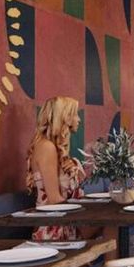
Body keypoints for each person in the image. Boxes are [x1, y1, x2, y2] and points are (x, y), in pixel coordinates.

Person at [27, 96, 92, 241]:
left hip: (65, 219)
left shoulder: (54, 147)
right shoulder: (46, 147)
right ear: (64, 117)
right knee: (112, 225)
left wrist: (76, 167)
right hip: (53, 226)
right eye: (75, 114)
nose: (79, 120)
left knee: (114, 225)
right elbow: (54, 199)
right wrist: (88, 213)